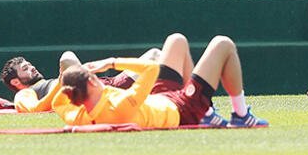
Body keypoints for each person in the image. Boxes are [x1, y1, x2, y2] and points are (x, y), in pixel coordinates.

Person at [53, 34, 268, 128]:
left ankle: (208, 113)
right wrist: (111, 62)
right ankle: (241, 115)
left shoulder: (77, 114)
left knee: (176, 40)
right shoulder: (119, 108)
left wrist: (68, 84)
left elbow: (58, 102)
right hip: (182, 109)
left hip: (160, 98)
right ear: (92, 83)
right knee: (223, 44)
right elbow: (151, 68)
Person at [0, 49, 155, 113]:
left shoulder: (50, 81)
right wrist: (61, 82)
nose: (32, 68)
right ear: (15, 82)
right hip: (92, 94)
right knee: (67, 58)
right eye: (25, 68)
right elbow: (36, 109)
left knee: (154, 54)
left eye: (30, 65)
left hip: (109, 84)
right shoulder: (24, 94)